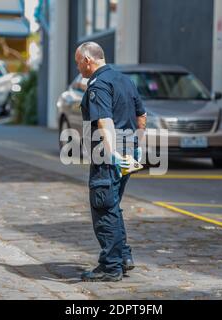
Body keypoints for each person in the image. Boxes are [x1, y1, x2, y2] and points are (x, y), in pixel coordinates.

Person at [75, 42, 147, 282]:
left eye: (78, 62)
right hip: (127, 153)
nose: (78, 67)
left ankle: (110, 266)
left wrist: (112, 153)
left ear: (88, 59)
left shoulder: (99, 84)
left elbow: (104, 121)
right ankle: (124, 257)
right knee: (113, 204)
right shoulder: (125, 80)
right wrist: (136, 146)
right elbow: (142, 116)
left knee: (104, 206)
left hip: (109, 156)